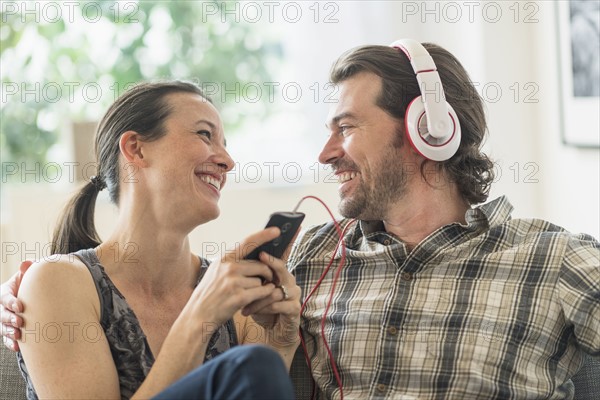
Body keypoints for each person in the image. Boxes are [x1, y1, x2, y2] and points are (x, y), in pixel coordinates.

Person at [4, 40, 600, 399]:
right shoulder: (307, 261)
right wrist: (28, 299)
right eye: (204, 136)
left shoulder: (553, 262)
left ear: (429, 129)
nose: (325, 154)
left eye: (345, 128)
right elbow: (249, 375)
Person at [0, 80, 300, 399]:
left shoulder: (236, 300)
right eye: (204, 134)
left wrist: (281, 342)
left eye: (225, 143)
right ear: (136, 149)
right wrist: (199, 318)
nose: (228, 161)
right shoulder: (55, 282)